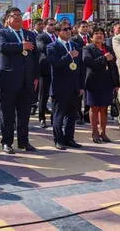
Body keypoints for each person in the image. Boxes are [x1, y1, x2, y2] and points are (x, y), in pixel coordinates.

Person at [0, 7, 39, 154]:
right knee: (7, 114)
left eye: (19, 15)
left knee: (24, 114)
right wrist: (21, 46)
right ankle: (6, 142)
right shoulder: (1, 33)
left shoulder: (29, 34)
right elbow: (2, 47)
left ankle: (23, 142)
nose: (18, 18)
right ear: (8, 19)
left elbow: (35, 57)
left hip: (27, 81)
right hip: (8, 80)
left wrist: (35, 76)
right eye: (14, 15)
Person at [46, 21, 84, 149]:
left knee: (71, 115)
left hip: (73, 85)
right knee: (59, 115)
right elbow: (55, 64)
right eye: (64, 29)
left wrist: (81, 86)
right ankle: (58, 139)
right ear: (57, 32)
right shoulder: (52, 46)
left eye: (69, 29)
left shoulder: (75, 45)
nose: (68, 31)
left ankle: (69, 138)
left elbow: (80, 68)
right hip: (60, 86)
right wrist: (68, 56)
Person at [83, 27, 119, 143]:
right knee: (94, 108)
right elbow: (88, 62)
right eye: (96, 33)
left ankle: (103, 132)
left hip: (107, 82)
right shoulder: (87, 48)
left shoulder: (108, 48)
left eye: (101, 33)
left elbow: (114, 66)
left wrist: (116, 83)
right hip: (94, 82)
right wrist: (104, 58)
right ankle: (94, 132)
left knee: (104, 108)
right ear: (92, 36)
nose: (99, 35)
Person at [35, 18, 57, 127]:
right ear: (45, 25)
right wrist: (56, 49)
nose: (53, 26)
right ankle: (41, 118)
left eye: (54, 24)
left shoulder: (57, 37)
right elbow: (42, 48)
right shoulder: (41, 36)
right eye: (51, 24)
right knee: (43, 96)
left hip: (57, 70)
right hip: (45, 70)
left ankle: (54, 118)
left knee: (55, 95)